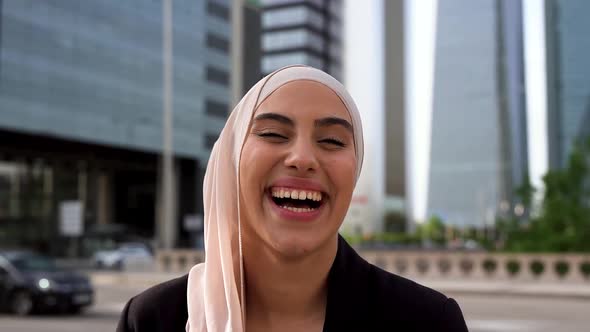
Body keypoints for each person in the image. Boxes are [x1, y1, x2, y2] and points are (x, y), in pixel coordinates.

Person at [116, 65, 468, 332]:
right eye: (272, 133)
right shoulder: (153, 320)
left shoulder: (428, 322)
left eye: (332, 141)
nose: (302, 158)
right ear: (231, 161)